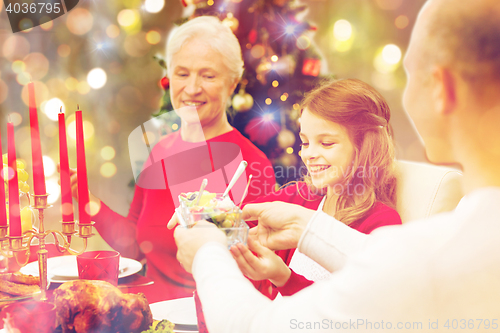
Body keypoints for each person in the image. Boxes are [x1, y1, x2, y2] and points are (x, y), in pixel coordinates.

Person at [172, 0, 500, 331]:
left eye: (411, 72)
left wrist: (205, 251)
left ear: (441, 87)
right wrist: (224, 218)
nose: (310, 153)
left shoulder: (417, 254)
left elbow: (262, 325)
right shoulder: (441, 251)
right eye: (305, 142)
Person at [69, 16, 275, 303]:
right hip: (150, 315)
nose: (191, 88)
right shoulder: (159, 150)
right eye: (182, 73)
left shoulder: (251, 164)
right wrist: (88, 202)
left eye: (208, 75)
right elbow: (136, 246)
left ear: (233, 83)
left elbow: (257, 272)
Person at [230, 79, 401, 298]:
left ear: (366, 147)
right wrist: (206, 211)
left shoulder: (382, 225)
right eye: (305, 142)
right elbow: (236, 217)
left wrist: (284, 277)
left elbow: (350, 310)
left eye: (326, 143)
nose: (308, 154)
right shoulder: (299, 196)